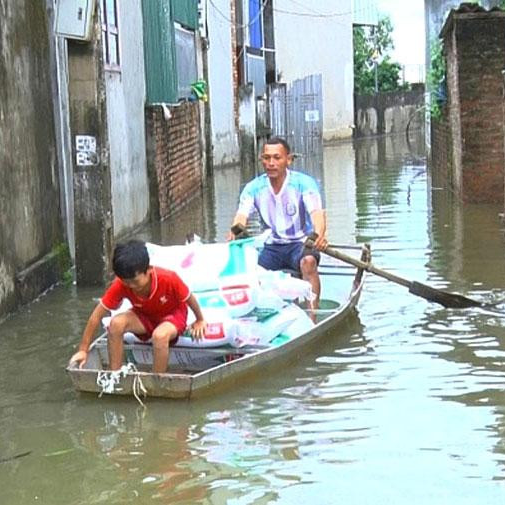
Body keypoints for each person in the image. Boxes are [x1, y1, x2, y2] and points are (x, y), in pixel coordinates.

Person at [69, 239, 207, 374]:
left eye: (135, 281)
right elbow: (96, 315)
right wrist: (83, 349)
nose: (131, 286)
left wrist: (200, 319)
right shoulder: (121, 284)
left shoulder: (169, 278)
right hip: (144, 315)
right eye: (126, 282)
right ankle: (114, 375)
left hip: (172, 316)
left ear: (149, 270)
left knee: (159, 336)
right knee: (116, 323)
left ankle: (157, 380)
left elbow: (189, 298)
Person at [227, 137, 328, 308]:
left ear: (288, 160)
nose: (271, 163)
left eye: (276, 158)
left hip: (301, 244)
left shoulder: (303, 183)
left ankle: (313, 316)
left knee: (308, 262)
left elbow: (317, 214)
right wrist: (235, 231)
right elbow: (241, 216)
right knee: (250, 271)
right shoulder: (254, 188)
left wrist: (319, 235)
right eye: (266, 158)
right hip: (273, 246)